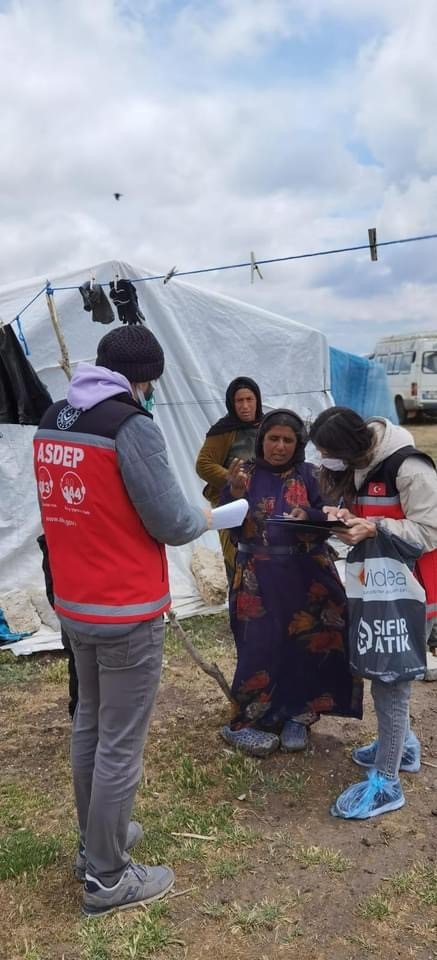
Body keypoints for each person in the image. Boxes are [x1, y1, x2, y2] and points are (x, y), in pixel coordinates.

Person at [33, 325, 211, 916]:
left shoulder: (55, 417)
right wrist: (209, 515)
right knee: (119, 744)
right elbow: (173, 522)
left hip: (75, 603)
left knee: (89, 726)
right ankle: (108, 877)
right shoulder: (131, 427)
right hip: (125, 608)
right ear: (145, 380)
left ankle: (95, 845)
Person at [309, 406, 437, 819]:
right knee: (384, 673)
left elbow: (431, 530)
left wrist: (375, 527)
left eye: (329, 451)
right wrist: (347, 520)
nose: (326, 459)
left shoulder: (408, 467)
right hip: (380, 588)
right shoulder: (362, 467)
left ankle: (387, 782)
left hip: (415, 593)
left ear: (352, 445)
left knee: (390, 681)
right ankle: (403, 748)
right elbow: (372, 519)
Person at [219, 409, 363, 757]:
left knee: (308, 645)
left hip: (306, 574)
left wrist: (309, 515)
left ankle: (299, 715)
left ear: (298, 444)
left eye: (288, 440)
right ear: (262, 440)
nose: (279, 446)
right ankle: (244, 724)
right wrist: (232, 494)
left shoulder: (312, 475)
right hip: (258, 577)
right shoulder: (245, 475)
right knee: (259, 648)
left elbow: (334, 517)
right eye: (273, 438)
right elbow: (226, 524)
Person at [196, 377, 263, 584]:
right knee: (236, 559)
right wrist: (234, 480)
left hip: (264, 504)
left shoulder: (268, 426)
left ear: (257, 400)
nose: (245, 406)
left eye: (249, 399)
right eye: (239, 401)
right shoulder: (224, 431)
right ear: (231, 404)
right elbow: (204, 464)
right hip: (232, 505)